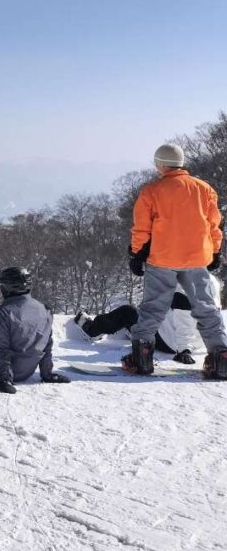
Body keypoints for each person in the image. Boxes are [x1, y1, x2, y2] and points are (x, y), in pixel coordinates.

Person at [125, 143, 227, 379]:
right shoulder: (204, 189)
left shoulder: (152, 190)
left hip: (162, 258)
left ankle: (141, 359)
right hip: (196, 257)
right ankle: (220, 357)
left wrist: (137, 254)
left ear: (160, 164)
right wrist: (215, 252)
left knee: (153, 308)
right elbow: (214, 225)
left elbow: (142, 228)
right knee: (206, 307)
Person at [73, 275, 223, 365]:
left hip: (174, 344)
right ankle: (131, 331)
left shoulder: (185, 283)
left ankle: (92, 330)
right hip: (199, 342)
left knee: (128, 311)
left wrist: (185, 349)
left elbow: (185, 321)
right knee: (145, 313)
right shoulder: (210, 281)